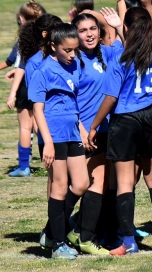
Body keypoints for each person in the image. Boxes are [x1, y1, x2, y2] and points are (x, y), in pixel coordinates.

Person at [87, 0, 152, 255]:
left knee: (124, 183)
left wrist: (93, 125)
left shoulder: (120, 59)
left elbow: (110, 99)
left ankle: (129, 241)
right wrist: (148, 6)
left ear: (125, 30)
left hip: (126, 120)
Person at [28, 23, 90, 260]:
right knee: (60, 186)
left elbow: (73, 101)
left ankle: (50, 231)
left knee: (82, 183)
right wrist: (48, 142)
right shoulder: (43, 71)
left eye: (75, 50)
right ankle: (58, 244)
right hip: (53, 135)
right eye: (68, 50)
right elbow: (38, 110)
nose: (73, 55)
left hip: (73, 131)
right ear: (54, 46)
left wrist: (82, 128)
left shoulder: (74, 65)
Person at [65, 13, 121, 255]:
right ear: (74, 34)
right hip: (84, 132)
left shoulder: (107, 53)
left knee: (100, 184)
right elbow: (68, 100)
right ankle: (56, 231)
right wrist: (81, 129)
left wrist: (117, 26)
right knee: (80, 184)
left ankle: (85, 234)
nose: (89, 34)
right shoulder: (73, 61)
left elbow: (133, 50)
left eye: (93, 29)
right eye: (83, 30)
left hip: (107, 130)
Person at [7, 0, 44, 177]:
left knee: (25, 126)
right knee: (39, 125)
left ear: (21, 19)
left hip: (25, 86)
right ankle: (54, 157)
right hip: (40, 84)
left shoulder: (24, 39)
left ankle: (24, 167)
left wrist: (12, 93)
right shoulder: (44, 36)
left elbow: (21, 67)